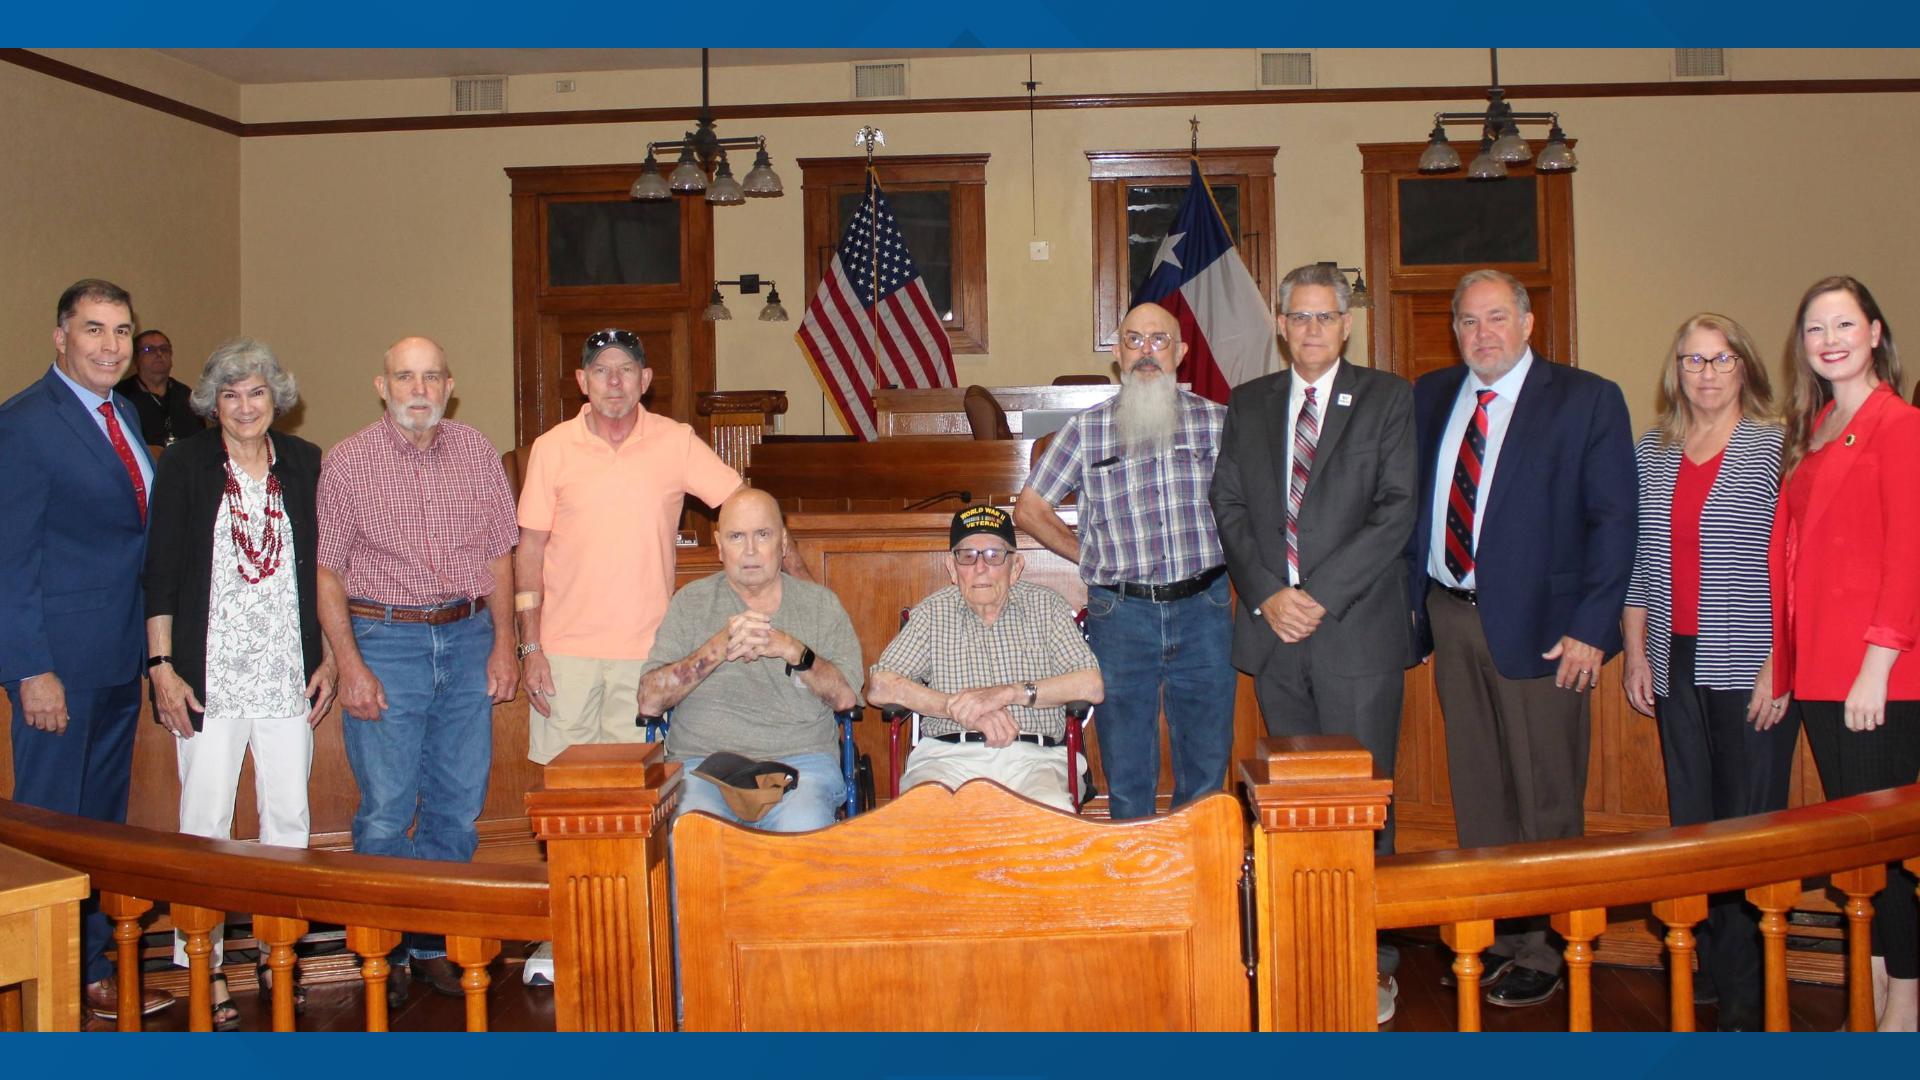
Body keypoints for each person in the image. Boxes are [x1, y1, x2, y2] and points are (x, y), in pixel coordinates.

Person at [1407, 269, 1637, 1009]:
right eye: (1469, 322)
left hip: (1546, 633)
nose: (1483, 334)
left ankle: (1549, 946)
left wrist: (1590, 632)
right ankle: (1497, 934)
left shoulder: (1586, 399)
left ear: (1529, 322)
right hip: (1451, 615)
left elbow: (1615, 524)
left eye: (1497, 318)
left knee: (1545, 797)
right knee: (1479, 793)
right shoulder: (1433, 395)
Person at [1209, 262, 1418, 1024]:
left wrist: (1317, 597)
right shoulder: (1252, 402)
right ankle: (1301, 942)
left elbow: (1395, 512)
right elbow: (1228, 504)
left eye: (1325, 317)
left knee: (1366, 805)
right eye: (1298, 317)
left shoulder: (1389, 399)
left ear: (1348, 323)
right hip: (1276, 638)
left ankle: (1371, 959)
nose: (1311, 330)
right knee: (1289, 804)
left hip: (1354, 632)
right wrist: (1269, 594)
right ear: (1280, 324)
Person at [315, 335, 519, 1001]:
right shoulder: (347, 462)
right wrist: (349, 663)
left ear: (450, 385)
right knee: (385, 809)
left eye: (431, 377)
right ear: (383, 386)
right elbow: (328, 572)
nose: (419, 390)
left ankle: (432, 941)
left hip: (467, 641)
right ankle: (385, 954)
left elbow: (498, 556)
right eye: (406, 377)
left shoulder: (478, 452)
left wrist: (503, 643)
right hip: (385, 641)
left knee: (457, 807)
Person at [143, 338, 334, 1028]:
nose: (245, 406)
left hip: (287, 672)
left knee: (289, 821)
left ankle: (276, 956)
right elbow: (160, 569)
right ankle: (207, 969)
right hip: (207, 679)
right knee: (205, 826)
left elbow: (326, 571)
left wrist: (331, 656)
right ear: (211, 404)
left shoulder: (306, 463)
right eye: (230, 394)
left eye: (257, 393)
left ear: (276, 398)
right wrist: (161, 666)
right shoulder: (189, 466)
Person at [0, 279, 173, 1020]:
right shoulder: (25, 423)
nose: (111, 346)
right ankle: (42, 975)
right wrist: (31, 668)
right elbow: (10, 557)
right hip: (56, 665)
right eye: (94, 330)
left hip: (115, 655)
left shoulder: (125, 411)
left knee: (99, 824)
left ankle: (92, 962)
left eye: (122, 332)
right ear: (60, 337)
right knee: (48, 823)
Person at [1620, 313, 1788, 1032]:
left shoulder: (1777, 447)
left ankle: (1751, 1000)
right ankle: (1714, 974)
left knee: (1745, 828)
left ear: (1745, 366)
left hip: (1751, 658)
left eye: (1721, 360)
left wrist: (1780, 665)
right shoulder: (1651, 451)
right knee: (1694, 823)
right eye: (1693, 361)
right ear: (1675, 371)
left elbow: (1795, 565)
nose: (1707, 373)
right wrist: (1634, 649)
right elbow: (1637, 562)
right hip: (1675, 657)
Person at [1015, 302, 1234, 820]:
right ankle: (1135, 890)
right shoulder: (1086, 431)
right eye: (1134, 341)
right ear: (1117, 353)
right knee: (1128, 769)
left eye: (1159, 341)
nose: (1146, 352)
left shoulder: (1220, 423)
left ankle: (1197, 882)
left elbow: (1255, 506)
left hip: (1205, 609)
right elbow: (1030, 509)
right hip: (1122, 618)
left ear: (1181, 352)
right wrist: (1087, 556)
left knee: (1205, 766)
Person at [1770, 276, 1920, 1031]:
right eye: (1814, 329)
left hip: (1876, 674)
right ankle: (1870, 995)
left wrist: (1878, 662)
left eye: (1843, 324)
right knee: (1854, 849)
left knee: (1884, 848)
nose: (1829, 339)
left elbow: (1909, 554)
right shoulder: (1818, 426)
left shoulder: (1900, 425)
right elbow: (1791, 557)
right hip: (1821, 668)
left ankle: (1906, 1006)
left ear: (1875, 332)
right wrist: (1782, 659)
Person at [514, 327, 741, 766]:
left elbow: (740, 503)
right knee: (565, 799)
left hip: (645, 653)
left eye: (625, 370)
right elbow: (529, 551)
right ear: (583, 382)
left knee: (637, 796)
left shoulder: (676, 442)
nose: (613, 382)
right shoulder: (551, 448)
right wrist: (531, 648)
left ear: (645, 379)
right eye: (601, 371)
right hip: (562, 657)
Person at [639, 489, 861, 831]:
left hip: (800, 766)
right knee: (694, 833)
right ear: (719, 545)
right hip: (703, 767)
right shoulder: (690, 603)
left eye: (763, 534)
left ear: (783, 543)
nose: (751, 550)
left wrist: (793, 650)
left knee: (802, 828)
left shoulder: (820, 605)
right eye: (736, 536)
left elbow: (848, 699)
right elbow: (649, 701)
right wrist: (716, 648)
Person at [868, 505, 1103, 812]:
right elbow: (880, 686)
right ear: (952, 569)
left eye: (994, 555)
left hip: (1034, 761)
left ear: (1015, 567)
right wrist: (959, 708)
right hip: (946, 759)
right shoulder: (931, 613)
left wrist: (1009, 693)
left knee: (1048, 826)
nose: (980, 568)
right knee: (921, 818)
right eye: (967, 556)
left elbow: (1091, 685)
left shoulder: (1047, 608)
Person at [115, 329, 203, 449]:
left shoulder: (186, 395)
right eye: (149, 349)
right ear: (135, 358)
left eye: (164, 349)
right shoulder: (120, 396)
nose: (159, 354)